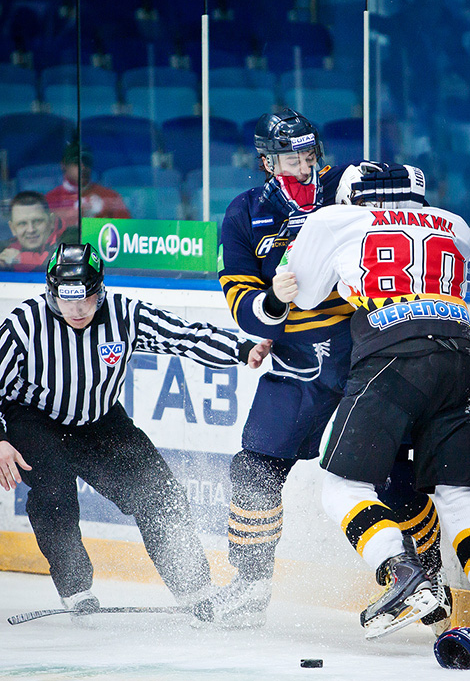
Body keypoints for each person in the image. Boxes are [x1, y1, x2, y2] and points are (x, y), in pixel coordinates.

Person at [215, 108, 449, 630]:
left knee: (396, 477)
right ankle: (250, 585)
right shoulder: (244, 213)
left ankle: (430, 581)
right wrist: (272, 305)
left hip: (368, 354)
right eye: (291, 157)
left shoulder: (346, 186)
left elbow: (407, 209)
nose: (304, 164)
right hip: (298, 366)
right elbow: (242, 304)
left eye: (309, 153)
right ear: (266, 161)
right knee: (254, 469)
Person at [0, 242, 271, 620]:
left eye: (85, 299)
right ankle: (75, 588)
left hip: (101, 421)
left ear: (100, 290)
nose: (76, 311)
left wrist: (242, 349)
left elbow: (183, 335)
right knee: (54, 492)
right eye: (66, 300)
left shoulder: (124, 314)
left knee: (159, 493)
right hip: (35, 420)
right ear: (52, 292)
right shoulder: (24, 323)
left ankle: (195, 588)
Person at [284, 162, 470, 638]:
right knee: (458, 494)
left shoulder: (335, 218)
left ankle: (403, 574)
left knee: (343, 488)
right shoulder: (455, 223)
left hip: (393, 356)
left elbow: (304, 295)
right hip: (461, 358)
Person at [46, 141, 131, 234]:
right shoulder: (50, 199)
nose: (83, 167)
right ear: (63, 165)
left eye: (86, 162)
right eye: (76, 162)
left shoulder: (109, 196)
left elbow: (126, 233)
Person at [0, 191, 74, 272]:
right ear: (12, 228)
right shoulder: (4, 248)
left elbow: (56, 263)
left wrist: (19, 259)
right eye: (22, 224)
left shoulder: (69, 241)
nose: (31, 230)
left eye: (37, 221)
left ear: (52, 221)